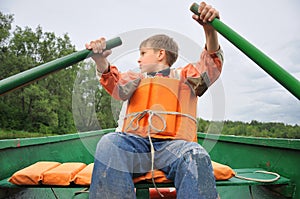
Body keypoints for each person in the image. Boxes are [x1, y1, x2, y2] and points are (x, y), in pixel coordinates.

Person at [86, 2, 223, 198]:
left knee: (197, 154)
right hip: (136, 145)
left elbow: (210, 66)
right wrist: (100, 60)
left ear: (160, 53)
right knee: (109, 143)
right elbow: (116, 86)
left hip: (175, 147)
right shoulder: (135, 79)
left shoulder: (185, 77)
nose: (138, 60)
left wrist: (210, 31)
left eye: (143, 53)